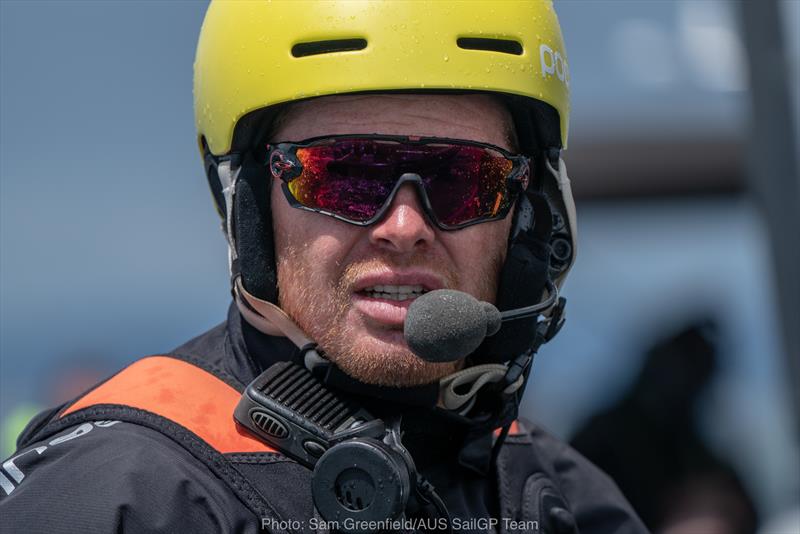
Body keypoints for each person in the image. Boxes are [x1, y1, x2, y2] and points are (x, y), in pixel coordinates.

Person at [0, 2, 647, 532]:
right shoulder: (124, 496)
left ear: (529, 213)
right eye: (345, 177)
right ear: (250, 202)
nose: (403, 228)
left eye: (464, 180)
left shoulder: (566, 500)